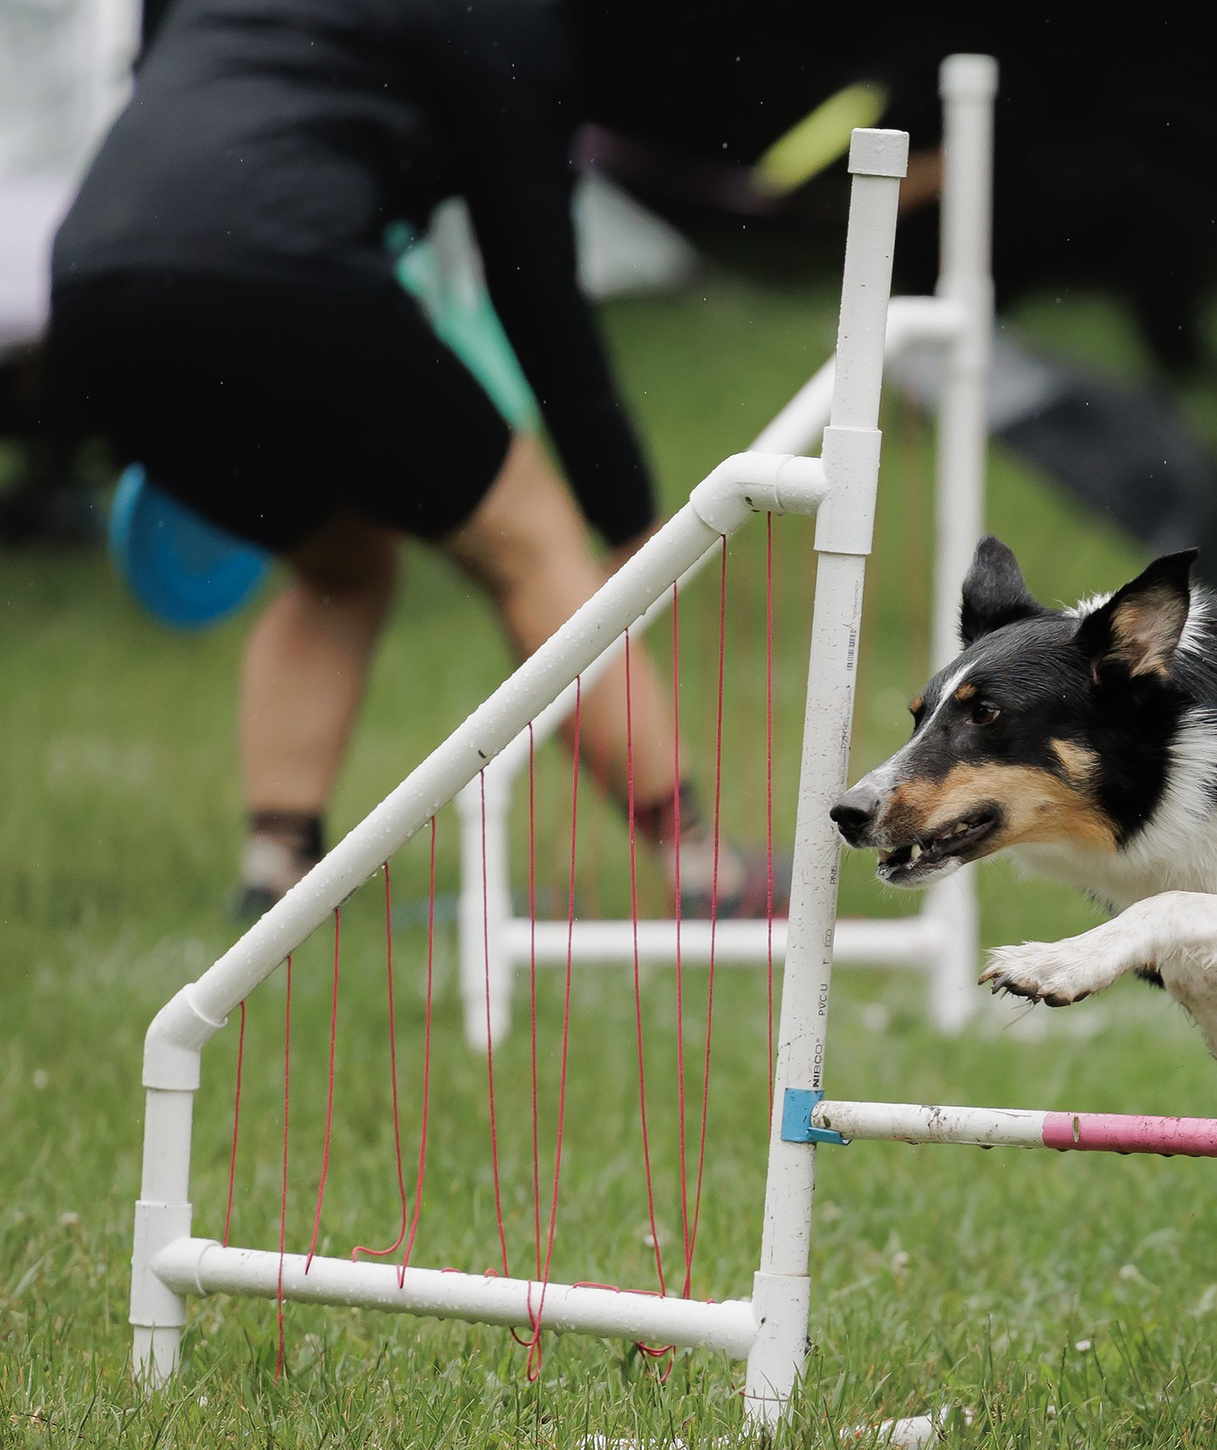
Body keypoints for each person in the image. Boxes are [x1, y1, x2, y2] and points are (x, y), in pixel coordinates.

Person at [45, 0, 772, 918]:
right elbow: (533, 273)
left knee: (341, 563)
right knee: (534, 541)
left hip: (89, 289)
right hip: (289, 274)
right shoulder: (502, 21)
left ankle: (277, 866)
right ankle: (703, 865)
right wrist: (623, 508)